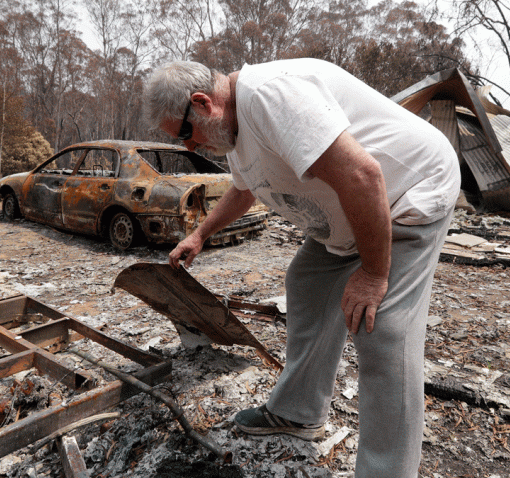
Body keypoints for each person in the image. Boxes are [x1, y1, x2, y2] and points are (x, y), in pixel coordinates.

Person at [142, 58, 460, 478]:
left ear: (203, 103)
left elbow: (363, 175)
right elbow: (243, 189)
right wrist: (200, 235)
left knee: (383, 330)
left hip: (406, 196)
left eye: (185, 134)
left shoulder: (273, 96)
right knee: (307, 283)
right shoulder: (232, 131)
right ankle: (299, 412)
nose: (188, 147)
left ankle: (389, 471)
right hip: (349, 216)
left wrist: (373, 274)